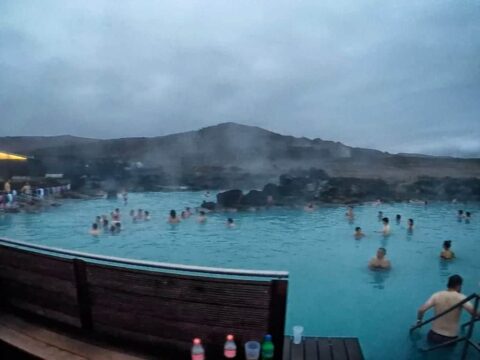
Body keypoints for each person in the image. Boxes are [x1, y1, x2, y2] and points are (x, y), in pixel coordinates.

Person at [415, 275, 478, 344]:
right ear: (458, 285)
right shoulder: (461, 298)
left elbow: (421, 310)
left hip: (433, 334)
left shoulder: (437, 295)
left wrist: (419, 321)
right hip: (450, 338)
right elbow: (474, 313)